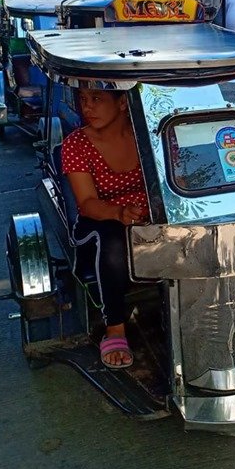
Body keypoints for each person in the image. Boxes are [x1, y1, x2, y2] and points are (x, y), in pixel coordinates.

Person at [62, 88, 150, 369]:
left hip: (147, 220)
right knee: (111, 238)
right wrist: (119, 213)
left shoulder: (146, 135)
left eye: (97, 99)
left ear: (122, 102)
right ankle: (114, 327)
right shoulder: (76, 144)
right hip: (98, 225)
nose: (87, 107)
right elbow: (87, 203)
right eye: (83, 100)